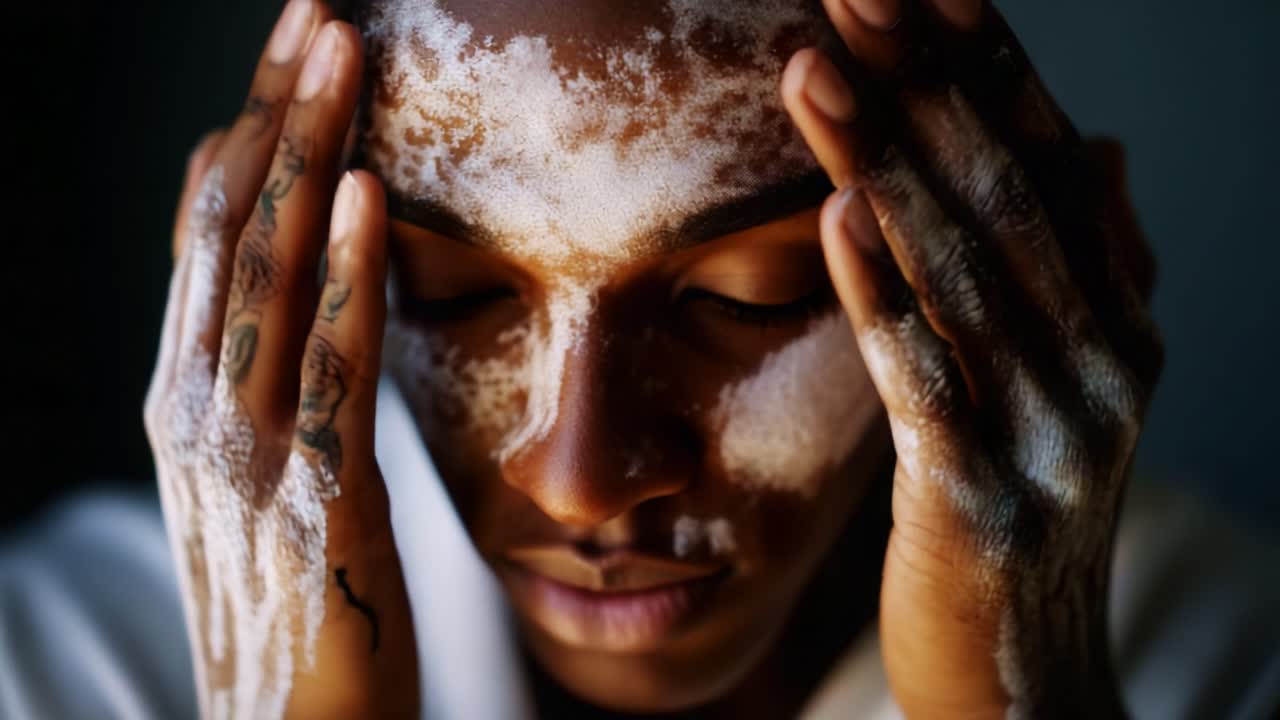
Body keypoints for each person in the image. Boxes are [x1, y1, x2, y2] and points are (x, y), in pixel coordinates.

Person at [2, 0, 1278, 718]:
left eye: (748, 297)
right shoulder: (62, 666)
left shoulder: (1224, 659)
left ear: (1056, 264)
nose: (582, 480)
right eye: (446, 297)